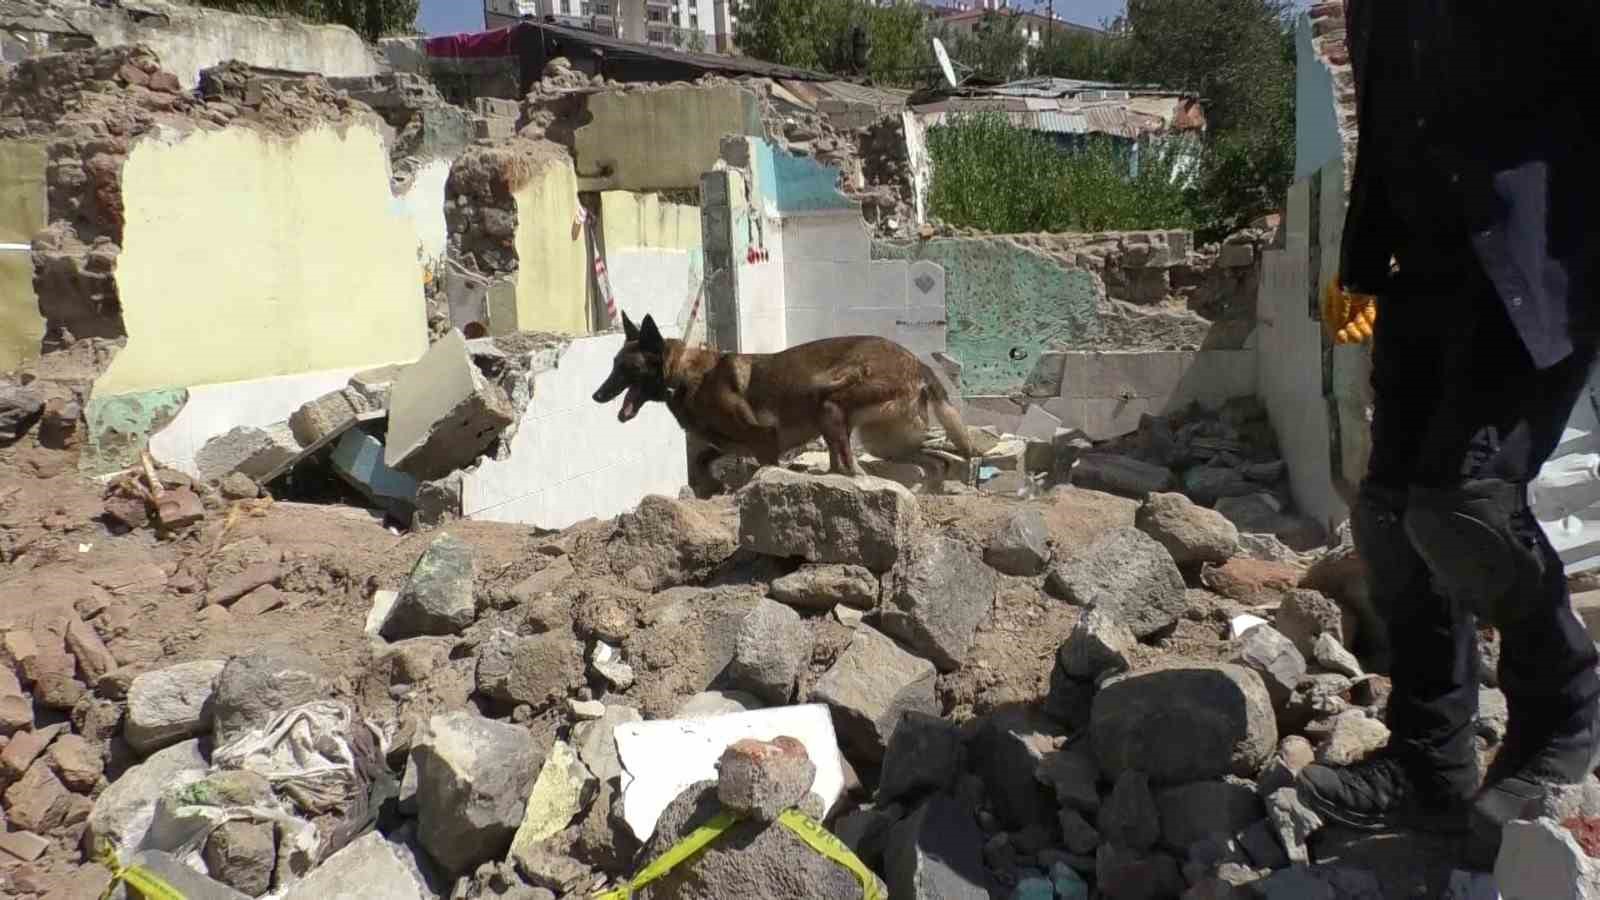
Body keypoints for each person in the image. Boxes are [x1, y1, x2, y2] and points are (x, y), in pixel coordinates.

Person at [1297, 0, 1600, 865]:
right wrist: (1359, 265)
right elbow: (1391, 121)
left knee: (1462, 501)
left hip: (1541, 265)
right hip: (1424, 272)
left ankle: (1563, 715)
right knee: (1390, 512)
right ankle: (1430, 761)